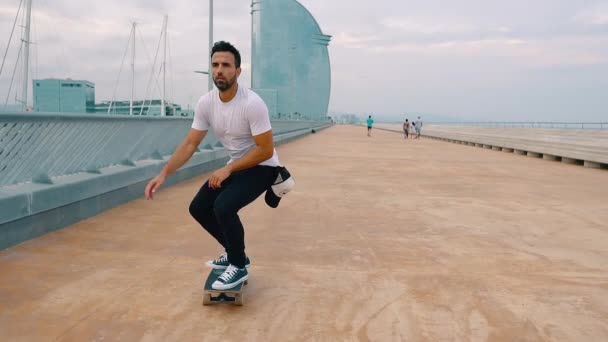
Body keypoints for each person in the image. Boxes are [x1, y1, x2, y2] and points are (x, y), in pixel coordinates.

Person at [144, 41, 294, 290]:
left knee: (223, 206)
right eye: (215, 65)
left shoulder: (252, 103)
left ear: (238, 71)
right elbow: (190, 143)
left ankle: (238, 266)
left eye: (226, 65)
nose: (219, 70)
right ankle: (235, 252)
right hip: (237, 165)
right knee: (199, 207)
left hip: (263, 165)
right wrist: (164, 173)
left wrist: (228, 169)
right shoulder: (206, 103)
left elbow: (265, 149)